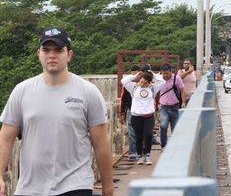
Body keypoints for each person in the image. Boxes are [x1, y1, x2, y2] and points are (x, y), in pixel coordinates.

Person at [0, 26, 113, 196]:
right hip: (30, 187)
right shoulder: (21, 91)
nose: (51, 55)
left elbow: (101, 143)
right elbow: (6, 138)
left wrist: (108, 188)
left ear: (69, 54)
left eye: (58, 50)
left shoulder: (88, 92)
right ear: (39, 53)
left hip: (75, 185)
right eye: (46, 50)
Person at [122, 69, 164, 165]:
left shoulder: (153, 88)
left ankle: (147, 155)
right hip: (136, 116)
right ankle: (140, 156)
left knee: (148, 135)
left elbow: (162, 81)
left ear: (149, 82)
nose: (142, 84)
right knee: (138, 137)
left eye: (145, 83)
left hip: (148, 116)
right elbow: (123, 81)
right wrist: (135, 75)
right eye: (141, 82)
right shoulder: (133, 87)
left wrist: (153, 74)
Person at [158, 64, 187, 149]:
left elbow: (182, 91)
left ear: (171, 71)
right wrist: (155, 104)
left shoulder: (176, 78)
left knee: (175, 128)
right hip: (163, 107)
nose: (165, 75)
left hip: (174, 106)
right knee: (163, 125)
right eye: (163, 73)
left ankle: (175, 146)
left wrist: (183, 102)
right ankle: (164, 145)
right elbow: (157, 92)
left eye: (167, 73)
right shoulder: (159, 79)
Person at [120, 64, 140, 161]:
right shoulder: (127, 85)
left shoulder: (145, 84)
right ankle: (132, 153)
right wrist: (122, 114)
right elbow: (123, 100)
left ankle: (141, 152)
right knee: (132, 133)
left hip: (142, 112)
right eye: (133, 73)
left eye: (137, 73)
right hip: (131, 111)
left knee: (141, 133)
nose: (135, 75)